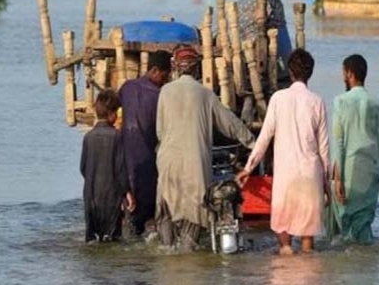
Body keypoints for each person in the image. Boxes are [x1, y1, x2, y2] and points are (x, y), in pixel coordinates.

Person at [155, 46, 255, 251]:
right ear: (197, 69)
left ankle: (167, 253)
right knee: (193, 213)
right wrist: (253, 143)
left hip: (168, 161)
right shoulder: (205, 94)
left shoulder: (165, 91)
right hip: (195, 163)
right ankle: (189, 256)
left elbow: (159, 131)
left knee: (166, 209)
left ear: (176, 68)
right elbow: (231, 124)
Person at [238, 49, 330, 254]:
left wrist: (248, 167)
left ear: (290, 72)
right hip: (310, 175)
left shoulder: (278, 99)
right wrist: (326, 185)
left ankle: (284, 277)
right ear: (310, 73)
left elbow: (264, 137)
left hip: (286, 176)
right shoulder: (317, 102)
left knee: (285, 243)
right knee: (308, 244)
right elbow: (323, 148)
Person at [326, 54, 379, 244]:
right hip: (372, 169)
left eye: (343, 73)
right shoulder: (378, 104)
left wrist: (337, 179)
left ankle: (349, 269)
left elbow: (339, 142)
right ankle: (368, 269)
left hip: (349, 169)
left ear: (349, 74)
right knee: (364, 223)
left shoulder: (341, 101)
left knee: (345, 224)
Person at [118, 51, 172, 235]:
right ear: (155, 70)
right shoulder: (160, 96)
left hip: (125, 163)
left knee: (129, 214)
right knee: (146, 215)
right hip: (148, 163)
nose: (165, 80)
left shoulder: (127, 87)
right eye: (164, 76)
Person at [80, 90, 136, 242]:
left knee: (93, 237)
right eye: (116, 112)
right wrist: (127, 192)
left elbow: (83, 168)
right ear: (111, 114)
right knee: (112, 237)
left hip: (91, 194)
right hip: (111, 196)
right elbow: (120, 169)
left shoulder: (88, 137)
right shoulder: (116, 136)